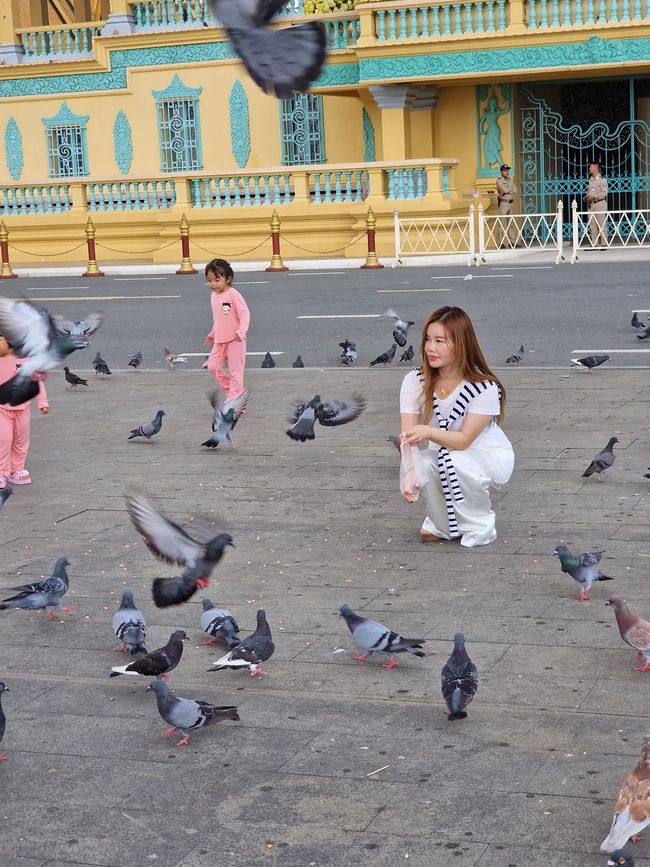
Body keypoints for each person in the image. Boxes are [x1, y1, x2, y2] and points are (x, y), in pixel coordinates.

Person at [399, 306, 514, 548]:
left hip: (483, 453)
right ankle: (443, 524)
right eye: (428, 339)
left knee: (454, 461)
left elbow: (463, 441)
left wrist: (428, 432)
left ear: (461, 343)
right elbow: (409, 436)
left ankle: (481, 525)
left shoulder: (484, 387)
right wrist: (410, 472)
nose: (430, 348)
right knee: (427, 463)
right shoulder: (415, 380)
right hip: (444, 449)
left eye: (440, 341)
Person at [0, 334, 49, 488]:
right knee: (4, 439)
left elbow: (37, 382)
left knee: (21, 441)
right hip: (2, 409)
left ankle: (17, 470)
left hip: (23, 409)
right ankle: (2, 472)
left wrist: (42, 402)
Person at [204, 258, 250, 400]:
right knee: (212, 366)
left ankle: (236, 403)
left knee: (236, 372)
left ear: (228, 279)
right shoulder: (213, 296)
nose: (212, 284)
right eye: (209, 280)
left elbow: (244, 313)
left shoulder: (233, 294)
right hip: (220, 339)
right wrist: (212, 334)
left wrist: (241, 332)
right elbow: (219, 318)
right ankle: (235, 392)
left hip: (235, 340)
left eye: (217, 280)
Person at [586, 161, 608, 248]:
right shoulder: (591, 180)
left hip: (599, 204)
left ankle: (604, 243)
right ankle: (594, 243)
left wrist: (594, 197)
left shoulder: (602, 179)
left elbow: (604, 193)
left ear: (596, 167)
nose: (589, 169)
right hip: (591, 205)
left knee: (601, 224)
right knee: (592, 225)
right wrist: (587, 197)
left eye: (591, 167)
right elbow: (590, 192)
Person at [496, 163, 518, 248]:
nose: (507, 172)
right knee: (502, 222)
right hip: (504, 203)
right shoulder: (499, 180)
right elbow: (503, 190)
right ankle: (501, 243)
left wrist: (508, 191)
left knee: (511, 223)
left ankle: (512, 242)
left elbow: (515, 190)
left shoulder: (510, 180)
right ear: (501, 172)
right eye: (505, 171)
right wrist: (509, 190)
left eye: (507, 171)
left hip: (511, 203)